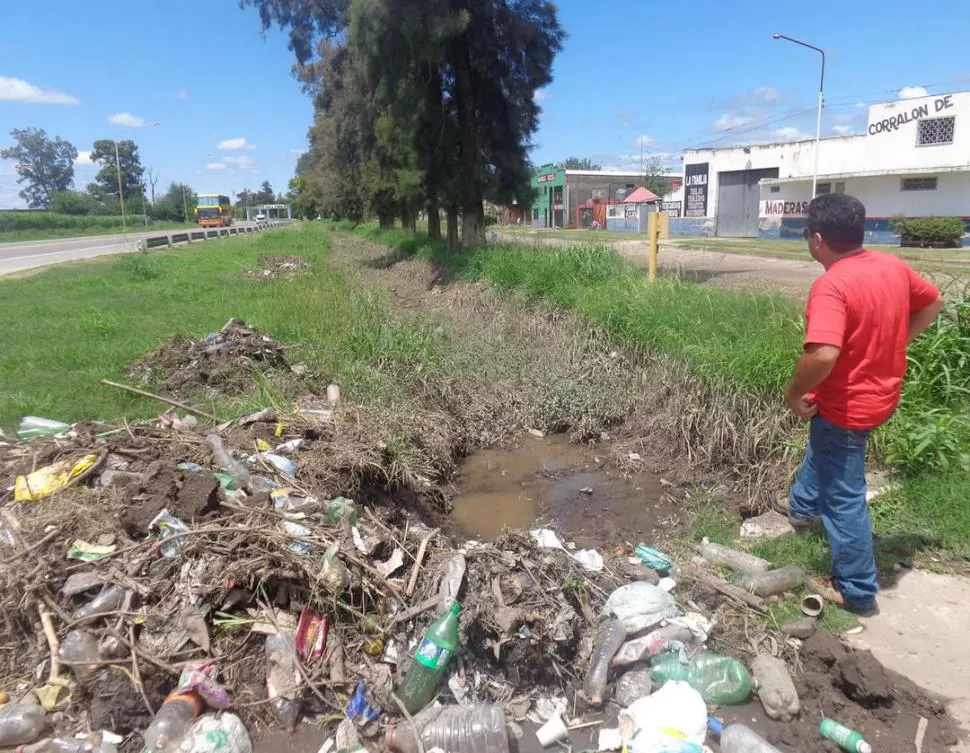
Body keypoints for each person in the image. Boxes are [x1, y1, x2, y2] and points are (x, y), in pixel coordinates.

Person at [779, 193, 944, 616]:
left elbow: (823, 355)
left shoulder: (832, 284)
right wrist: (896, 343)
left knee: (844, 496)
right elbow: (933, 303)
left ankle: (856, 589)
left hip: (851, 406)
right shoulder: (891, 266)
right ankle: (800, 509)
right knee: (826, 445)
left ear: (817, 239)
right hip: (878, 395)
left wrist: (794, 394)